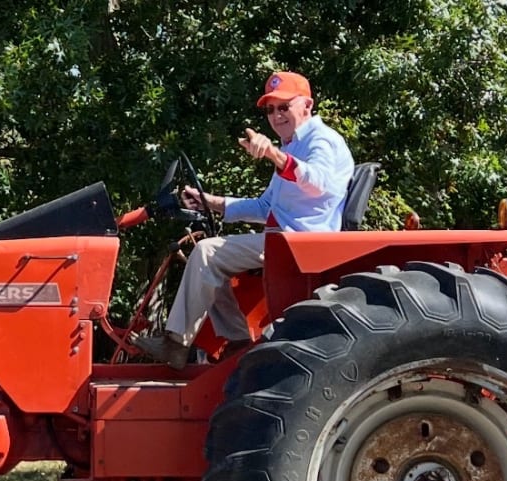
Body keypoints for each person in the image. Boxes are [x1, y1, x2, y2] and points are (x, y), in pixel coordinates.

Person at [131, 71, 355, 369]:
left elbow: (318, 182)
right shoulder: (291, 146)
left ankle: (175, 344)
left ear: (307, 105)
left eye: (284, 106)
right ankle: (237, 343)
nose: (276, 115)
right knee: (212, 260)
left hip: (301, 242)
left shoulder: (322, 141)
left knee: (208, 253)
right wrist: (211, 202)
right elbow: (265, 207)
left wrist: (276, 157)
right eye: (270, 109)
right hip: (285, 238)